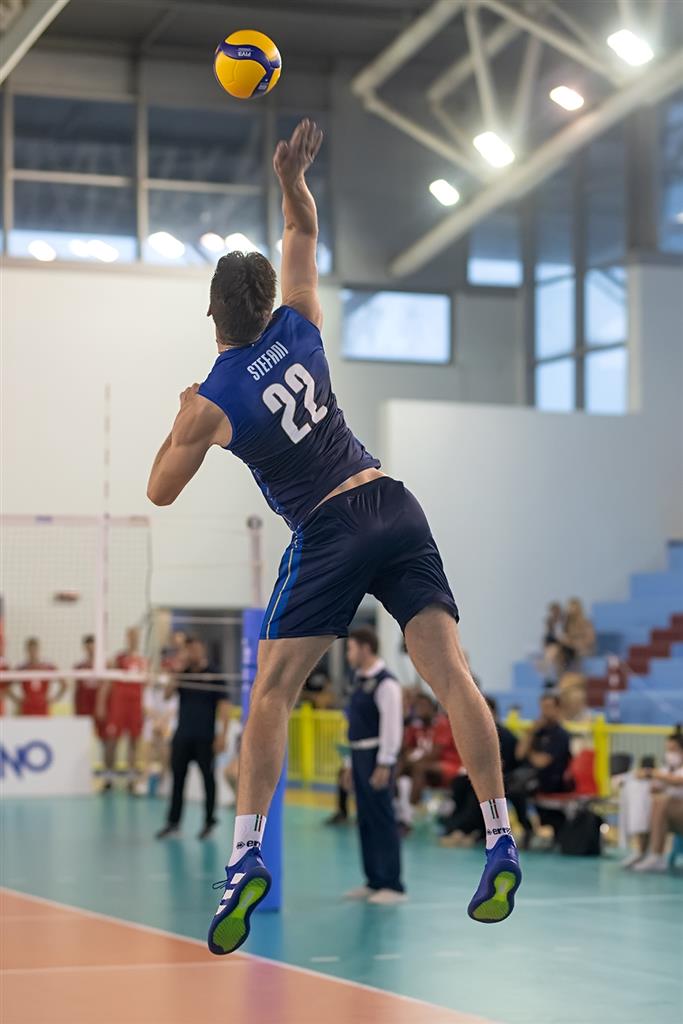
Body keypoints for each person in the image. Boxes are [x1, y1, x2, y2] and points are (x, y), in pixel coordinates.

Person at [146, 118, 520, 955]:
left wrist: (181, 418)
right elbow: (302, 232)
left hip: (328, 527)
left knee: (272, 693)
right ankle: (500, 835)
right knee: (451, 675)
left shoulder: (212, 399)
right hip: (391, 498)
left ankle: (244, 857)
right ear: (267, 303)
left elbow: (159, 490)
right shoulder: (302, 323)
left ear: (211, 313)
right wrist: (291, 180)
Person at [341, 627, 405, 903]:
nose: (348, 655)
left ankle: (393, 884)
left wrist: (385, 763)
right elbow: (354, 725)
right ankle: (373, 880)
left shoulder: (386, 683)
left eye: (351, 648)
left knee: (382, 818)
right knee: (365, 819)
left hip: (376, 756)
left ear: (365, 648)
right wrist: (348, 763)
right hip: (358, 755)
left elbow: (392, 726)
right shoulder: (358, 680)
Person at [156, 637, 231, 840]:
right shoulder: (184, 674)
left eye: (195, 649)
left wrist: (222, 735)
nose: (193, 653)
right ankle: (173, 823)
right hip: (183, 736)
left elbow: (224, 706)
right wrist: (177, 672)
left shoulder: (214, 674)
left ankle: (209, 821)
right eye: (189, 650)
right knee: (178, 779)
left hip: (205, 737)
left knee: (208, 779)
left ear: (202, 649)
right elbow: (167, 695)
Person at [440, 696, 519, 847]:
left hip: (503, 778)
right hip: (479, 774)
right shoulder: (476, 736)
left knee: (476, 791)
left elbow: (507, 764)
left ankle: (466, 828)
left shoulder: (506, 736)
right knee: (459, 784)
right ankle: (454, 824)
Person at [507, 693, 572, 847]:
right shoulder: (538, 732)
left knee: (517, 790)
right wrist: (531, 733)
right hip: (531, 777)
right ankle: (526, 827)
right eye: (543, 707)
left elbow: (541, 762)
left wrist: (530, 753)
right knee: (509, 786)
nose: (545, 711)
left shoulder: (561, 735)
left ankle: (530, 828)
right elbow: (519, 754)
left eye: (549, 707)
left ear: (558, 709)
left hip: (551, 779)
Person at [395, 694, 461, 834]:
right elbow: (406, 749)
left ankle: (408, 817)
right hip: (424, 767)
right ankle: (395, 809)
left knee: (418, 768)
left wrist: (412, 761)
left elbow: (435, 754)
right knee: (399, 768)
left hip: (448, 765)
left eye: (423, 706)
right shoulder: (415, 727)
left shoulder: (442, 724)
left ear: (432, 708)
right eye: (417, 707)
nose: (420, 709)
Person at [96, 627, 147, 793]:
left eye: (136, 636)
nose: (133, 639)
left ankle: (131, 780)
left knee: (134, 741)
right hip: (118, 705)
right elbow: (107, 682)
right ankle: (108, 778)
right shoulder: (118, 658)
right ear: (127, 638)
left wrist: (145, 707)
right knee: (112, 741)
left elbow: (146, 686)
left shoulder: (143, 660)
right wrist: (101, 703)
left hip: (135, 705)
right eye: (131, 636)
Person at [629, 727, 683, 872]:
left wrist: (653, 774)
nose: (670, 754)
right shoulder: (668, 769)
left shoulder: (669, 773)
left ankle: (657, 856)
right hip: (674, 815)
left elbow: (677, 781)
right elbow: (657, 785)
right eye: (668, 750)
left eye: (674, 750)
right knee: (647, 803)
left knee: (662, 804)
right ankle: (642, 852)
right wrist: (647, 778)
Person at [8, 637, 65, 715]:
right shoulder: (21, 668)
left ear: (38, 649)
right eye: (30, 649)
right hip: (27, 707)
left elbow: (64, 684)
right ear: (27, 650)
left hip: (43, 706)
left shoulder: (48, 667)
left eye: (34, 649)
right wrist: (18, 700)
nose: (32, 652)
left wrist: (54, 699)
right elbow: (7, 687)